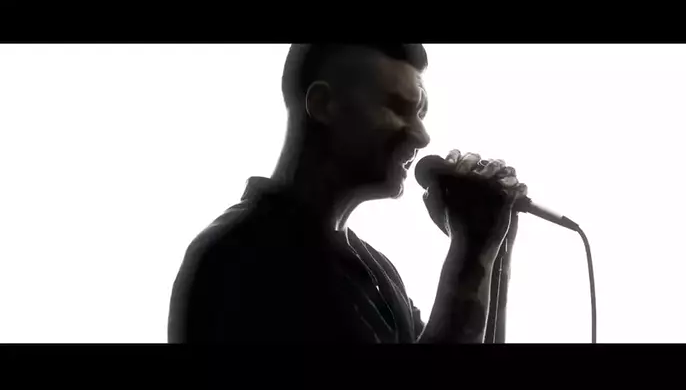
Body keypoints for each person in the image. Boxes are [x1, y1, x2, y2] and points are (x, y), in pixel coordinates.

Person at [167, 44, 527, 343]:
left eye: (419, 114)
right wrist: (472, 252)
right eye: (398, 107)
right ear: (324, 105)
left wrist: (494, 250)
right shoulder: (243, 257)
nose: (421, 136)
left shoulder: (374, 269)